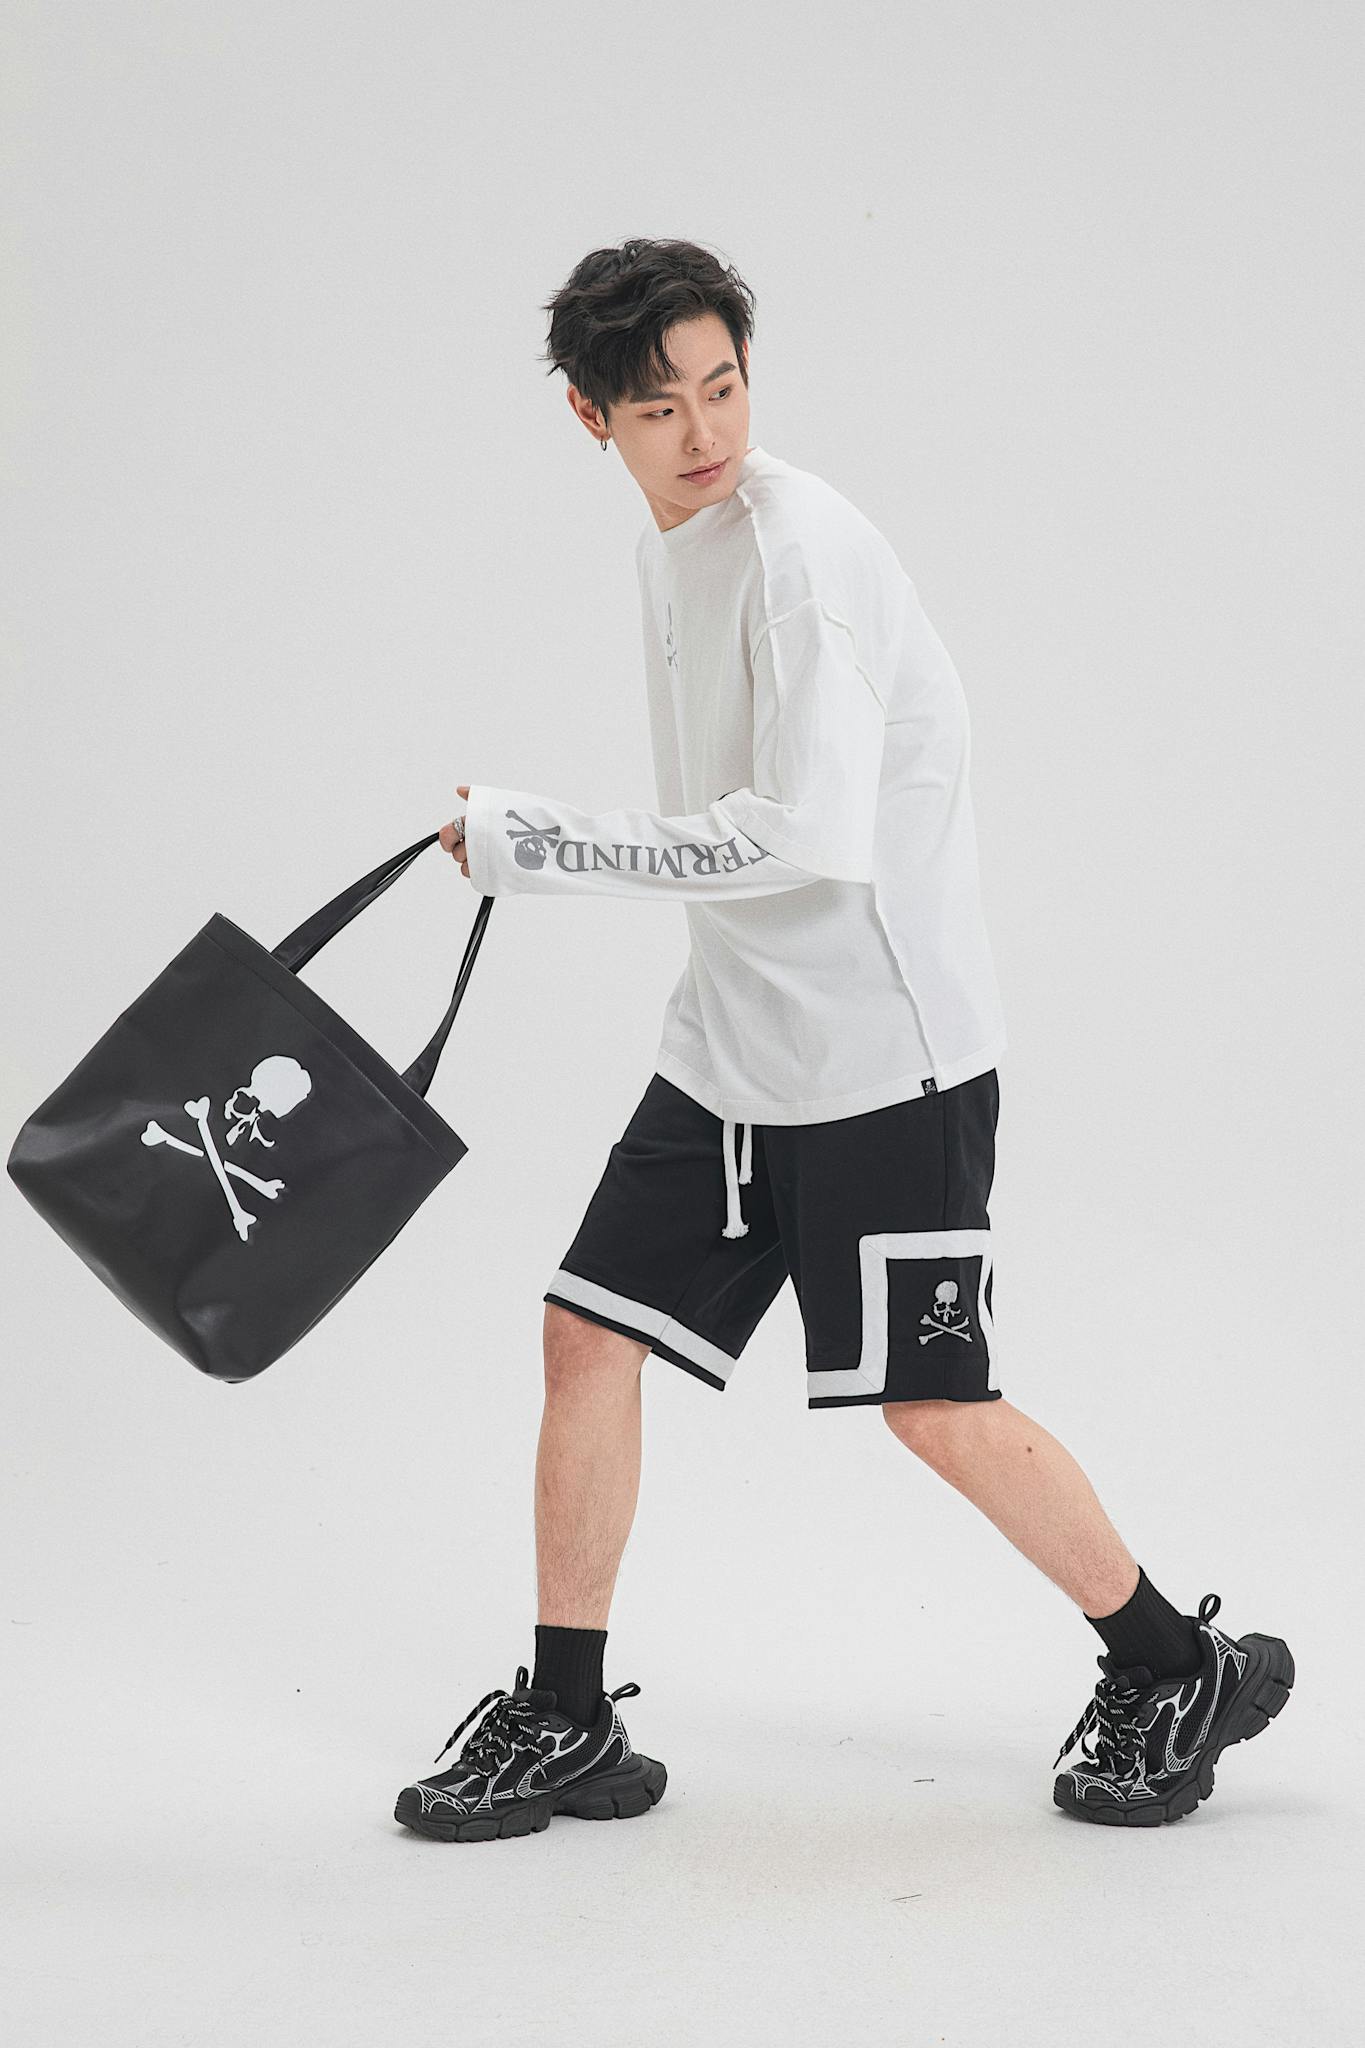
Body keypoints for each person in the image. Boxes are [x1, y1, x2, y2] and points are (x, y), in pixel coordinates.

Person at [392, 237, 1293, 1844]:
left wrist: (542, 839)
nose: (703, 428)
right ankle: (566, 1713)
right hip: (731, 1048)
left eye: (723, 387)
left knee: (930, 1406)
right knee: (583, 1334)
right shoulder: (678, 549)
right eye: (659, 404)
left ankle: (1174, 1666)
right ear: (592, 420)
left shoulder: (798, 551)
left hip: (885, 1062)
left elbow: (802, 837)